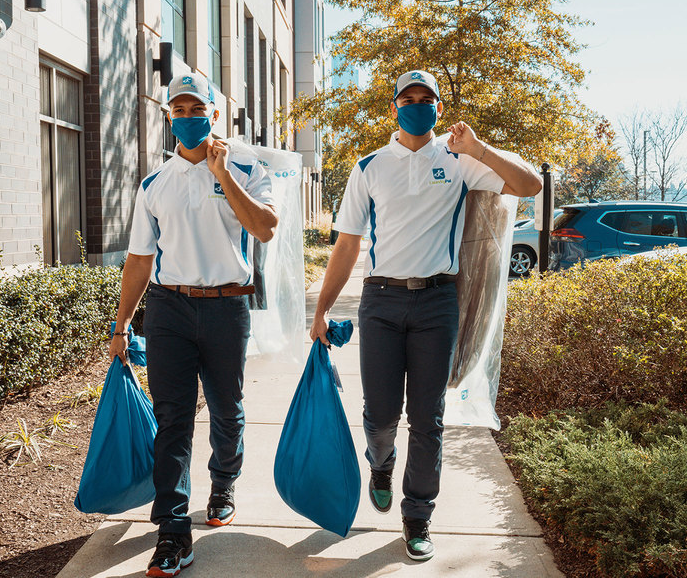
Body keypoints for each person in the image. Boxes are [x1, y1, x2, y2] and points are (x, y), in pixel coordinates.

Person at [309, 70, 542, 562]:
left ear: (438, 106)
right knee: (380, 413)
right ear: (394, 106)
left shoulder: (458, 161)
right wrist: (323, 308)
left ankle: (418, 517)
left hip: (438, 301)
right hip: (381, 301)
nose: (417, 104)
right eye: (408, 98)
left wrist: (479, 149)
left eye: (426, 98)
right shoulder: (369, 166)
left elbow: (531, 185)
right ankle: (381, 461)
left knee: (428, 417)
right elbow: (348, 243)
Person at [109, 72, 278, 578]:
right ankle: (172, 531)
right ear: (168, 118)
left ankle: (223, 479)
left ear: (214, 114)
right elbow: (139, 260)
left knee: (227, 407)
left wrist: (223, 175)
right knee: (174, 420)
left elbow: (265, 228)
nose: (187, 118)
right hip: (169, 311)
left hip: (228, 307)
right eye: (178, 111)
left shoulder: (248, 167)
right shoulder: (153, 184)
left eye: (195, 109)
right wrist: (121, 327)